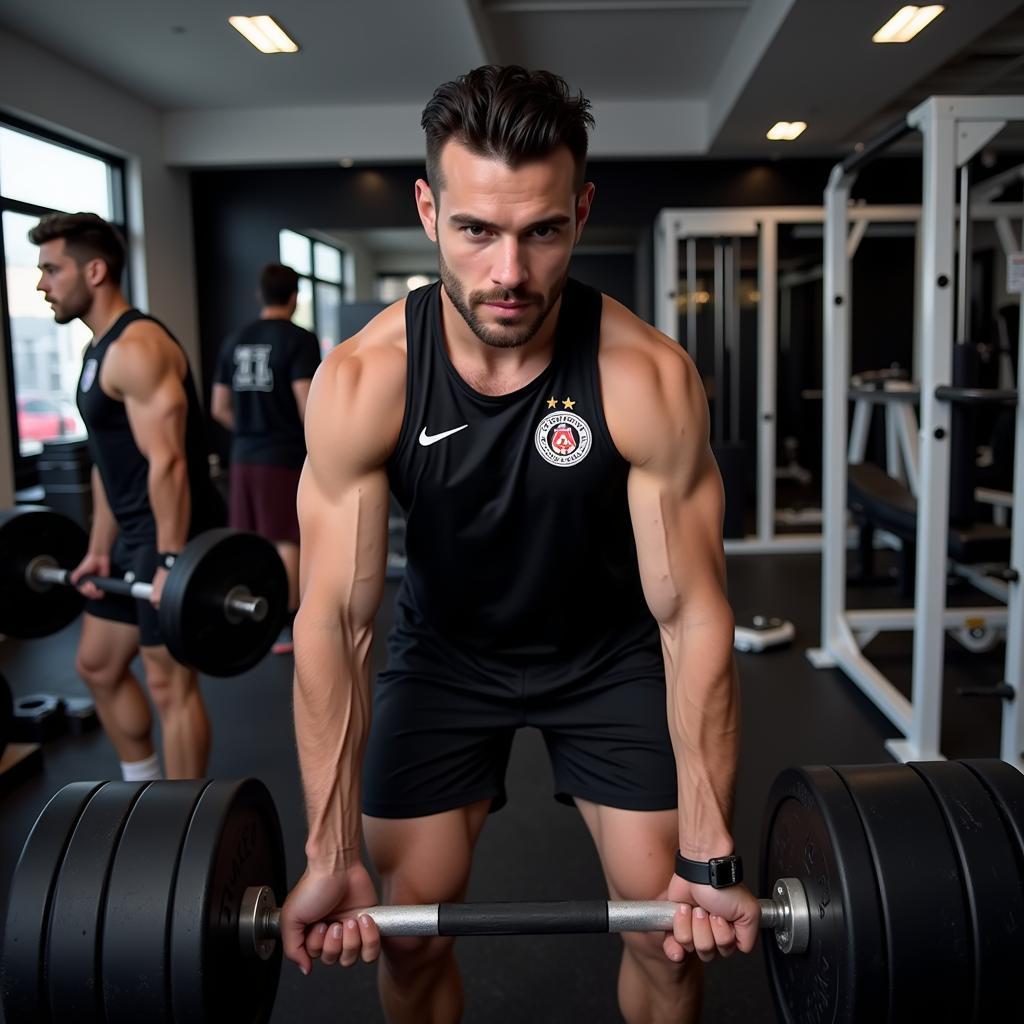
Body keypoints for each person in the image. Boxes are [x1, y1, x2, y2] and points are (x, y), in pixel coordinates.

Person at [281, 66, 760, 1023]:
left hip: (607, 652)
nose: (509, 272)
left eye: (541, 231)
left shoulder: (645, 377)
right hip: (446, 652)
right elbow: (335, 621)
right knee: (409, 939)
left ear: (580, 213)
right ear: (428, 209)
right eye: (477, 230)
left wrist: (711, 852)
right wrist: (328, 853)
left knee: (667, 942)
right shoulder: (367, 379)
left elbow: (692, 612)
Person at [30, 212, 225, 780]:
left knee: (170, 682)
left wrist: (168, 561)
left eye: (51, 269)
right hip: (130, 535)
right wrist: (98, 548)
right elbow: (111, 464)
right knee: (97, 665)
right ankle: (141, 787)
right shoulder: (97, 350)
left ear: (94, 270)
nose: (42, 283)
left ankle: (185, 827)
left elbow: (168, 462)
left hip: (171, 530)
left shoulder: (139, 346)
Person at [211, 263, 320, 654]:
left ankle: (252, 613)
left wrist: (250, 428)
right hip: (283, 455)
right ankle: (286, 625)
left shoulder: (235, 340)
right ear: (293, 297)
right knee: (286, 539)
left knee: (252, 537)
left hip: (243, 455)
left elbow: (219, 408)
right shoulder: (299, 340)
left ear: (261, 295)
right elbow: (308, 405)